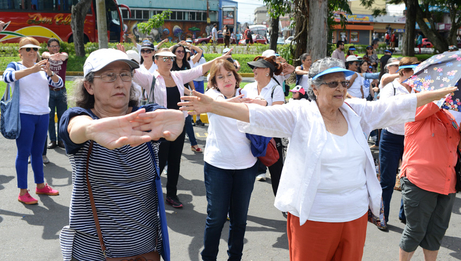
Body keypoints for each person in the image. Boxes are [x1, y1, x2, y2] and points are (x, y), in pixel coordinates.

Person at [178, 57, 455, 261]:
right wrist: (214, 105)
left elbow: (394, 106)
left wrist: (440, 94)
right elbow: (256, 116)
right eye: (333, 83)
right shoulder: (300, 113)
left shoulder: (356, 111)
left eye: (343, 83)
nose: (341, 88)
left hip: (354, 216)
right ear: (315, 87)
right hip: (313, 218)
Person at [58, 48, 184, 261]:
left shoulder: (144, 119)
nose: (119, 83)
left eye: (125, 75)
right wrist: (92, 130)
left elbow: (166, 118)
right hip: (94, 253)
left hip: (147, 250)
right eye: (109, 76)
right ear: (88, 86)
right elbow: (75, 128)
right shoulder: (81, 117)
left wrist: (178, 118)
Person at [133, 48, 232, 208]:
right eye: (164, 59)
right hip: (158, 127)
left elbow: (199, 69)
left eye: (170, 59)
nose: (168, 61)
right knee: (158, 162)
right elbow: (131, 71)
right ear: (156, 60)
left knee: (174, 162)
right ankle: (152, 196)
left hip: (178, 126)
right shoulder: (150, 78)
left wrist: (221, 58)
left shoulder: (178, 76)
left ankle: (171, 195)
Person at [201, 59, 258, 261]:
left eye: (229, 75)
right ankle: (209, 257)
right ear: (215, 82)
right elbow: (216, 106)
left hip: (246, 166)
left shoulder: (248, 95)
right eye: (220, 76)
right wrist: (241, 103)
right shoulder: (211, 96)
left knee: (239, 220)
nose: (226, 79)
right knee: (216, 219)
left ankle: (235, 257)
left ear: (236, 77)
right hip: (218, 166)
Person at [3, 37, 63, 204]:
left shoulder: (43, 69)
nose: (32, 52)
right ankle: (23, 191)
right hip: (24, 115)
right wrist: (33, 69)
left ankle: (41, 185)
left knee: (38, 153)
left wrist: (49, 72)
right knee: (23, 153)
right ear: (20, 51)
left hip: (43, 114)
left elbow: (59, 85)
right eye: (28, 49)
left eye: (35, 49)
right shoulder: (15, 66)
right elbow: (7, 78)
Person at [398, 102, 460, 261]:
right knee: (415, 231)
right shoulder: (418, 111)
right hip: (419, 182)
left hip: (447, 184)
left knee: (436, 233)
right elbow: (433, 103)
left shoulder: (451, 117)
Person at [378, 57, 419, 231]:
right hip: (391, 138)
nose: (416, 75)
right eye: (412, 72)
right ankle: (382, 216)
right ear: (403, 72)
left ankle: (404, 214)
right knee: (387, 181)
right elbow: (384, 109)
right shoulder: (391, 88)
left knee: (409, 179)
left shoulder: (418, 89)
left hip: (412, 139)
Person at [242, 56, 285, 194]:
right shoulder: (248, 88)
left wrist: (265, 104)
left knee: (276, 171)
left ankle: (282, 204)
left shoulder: (276, 89)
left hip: (270, 137)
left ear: (267, 70)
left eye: (257, 67)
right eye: (253, 67)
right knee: (246, 173)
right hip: (250, 135)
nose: (253, 70)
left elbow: (279, 114)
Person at [171, 43, 202, 153]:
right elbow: (177, 83)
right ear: (173, 53)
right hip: (173, 95)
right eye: (178, 51)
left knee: (187, 120)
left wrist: (193, 92)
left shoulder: (187, 64)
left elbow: (190, 79)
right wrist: (177, 45)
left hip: (184, 96)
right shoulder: (170, 64)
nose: (181, 53)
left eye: (183, 51)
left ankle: (193, 144)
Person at [41, 38, 68, 151]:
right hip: (49, 91)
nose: (54, 48)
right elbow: (43, 54)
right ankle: (53, 140)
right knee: (50, 117)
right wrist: (51, 56)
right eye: (52, 46)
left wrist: (57, 56)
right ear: (48, 47)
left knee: (63, 116)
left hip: (61, 91)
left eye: (56, 46)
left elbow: (64, 56)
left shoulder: (63, 55)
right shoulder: (46, 56)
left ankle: (61, 140)